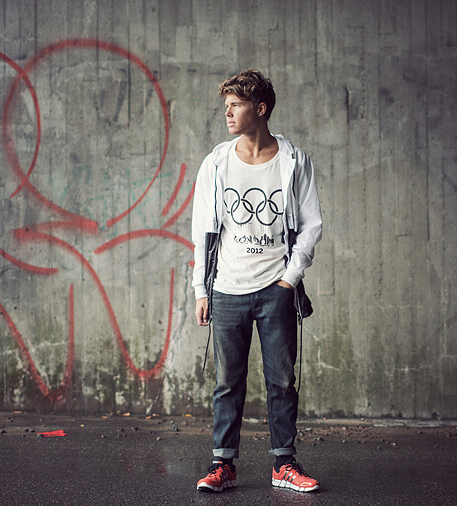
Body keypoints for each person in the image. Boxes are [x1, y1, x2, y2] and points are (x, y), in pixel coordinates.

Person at [190, 69, 322, 493]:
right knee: (227, 382)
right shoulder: (216, 163)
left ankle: (284, 464)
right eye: (226, 106)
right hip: (227, 288)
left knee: (282, 381)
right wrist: (201, 288)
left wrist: (290, 278)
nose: (227, 113)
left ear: (260, 109)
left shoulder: (293, 161)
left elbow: (312, 225)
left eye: (236, 105)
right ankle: (223, 466)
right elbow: (202, 231)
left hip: (275, 289)